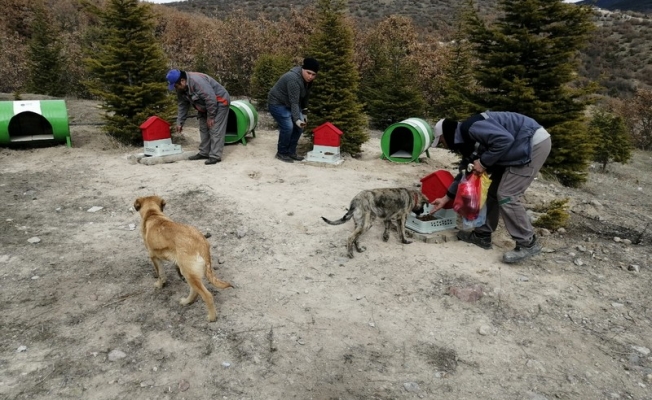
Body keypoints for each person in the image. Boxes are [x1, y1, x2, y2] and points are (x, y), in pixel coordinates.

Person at [429, 111, 552, 264]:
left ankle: (528, 243)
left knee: (507, 195)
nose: (444, 146)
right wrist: (446, 197)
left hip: (531, 144)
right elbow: (466, 173)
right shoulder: (469, 142)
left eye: (441, 142)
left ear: (445, 135)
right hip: (515, 148)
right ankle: (482, 236)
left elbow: (505, 139)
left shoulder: (471, 127)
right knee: (492, 190)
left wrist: (484, 162)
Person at [165, 69, 231, 165]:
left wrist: (211, 116)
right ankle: (204, 152)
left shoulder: (197, 81)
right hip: (204, 105)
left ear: (182, 81)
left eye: (176, 85)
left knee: (214, 127)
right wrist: (180, 122)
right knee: (203, 127)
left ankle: (215, 156)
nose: (176, 88)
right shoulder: (181, 88)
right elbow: (182, 105)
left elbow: (211, 98)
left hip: (219, 101)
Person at [267, 57, 319, 163]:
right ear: (303, 69)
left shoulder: (307, 81)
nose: (310, 76)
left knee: (300, 128)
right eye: (308, 73)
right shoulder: (293, 79)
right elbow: (294, 102)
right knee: (288, 126)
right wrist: (297, 120)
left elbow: (305, 97)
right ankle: (281, 153)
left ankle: (291, 152)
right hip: (277, 103)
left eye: (313, 75)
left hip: (290, 103)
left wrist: (304, 114)